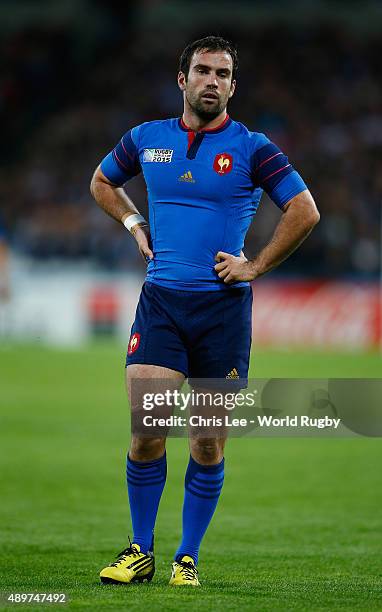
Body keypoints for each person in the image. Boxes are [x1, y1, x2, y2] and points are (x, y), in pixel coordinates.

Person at [90, 35, 320, 587]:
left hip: (222, 312)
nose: (211, 80)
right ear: (182, 80)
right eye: (202, 70)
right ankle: (139, 549)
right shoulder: (146, 140)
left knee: (207, 440)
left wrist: (255, 266)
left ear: (233, 87)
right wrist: (133, 223)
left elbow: (304, 210)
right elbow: (101, 181)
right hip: (162, 303)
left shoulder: (253, 147)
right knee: (149, 430)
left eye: (222, 73)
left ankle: (186, 557)